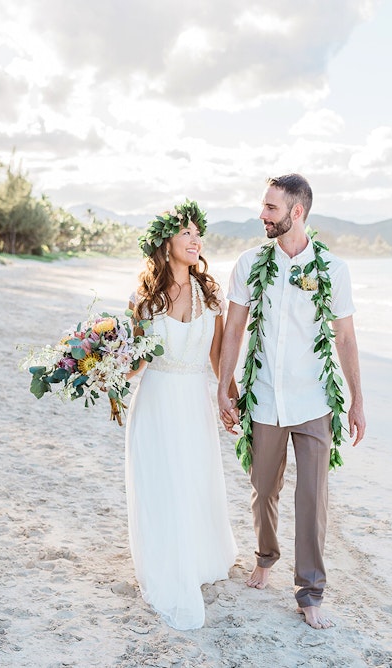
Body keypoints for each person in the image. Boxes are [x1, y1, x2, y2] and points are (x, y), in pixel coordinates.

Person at [218, 174, 366, 630]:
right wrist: (224, 385)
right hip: (263, 398)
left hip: (314, 400)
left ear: (295, 212)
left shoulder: (332, 269)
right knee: (263, 489)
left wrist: (357, 400)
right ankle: (266, 556)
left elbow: (344, 338)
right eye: (264, 207)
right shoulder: (248, 263)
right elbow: (234, 329)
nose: (262, 215)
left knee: (313, 496)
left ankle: (309, 590)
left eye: (270, 208)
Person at [124, 199, 237, 630]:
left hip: (193, 401)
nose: (195, 240)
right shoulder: (143, 298)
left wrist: (231, 398)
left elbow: (217, 360)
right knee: (162, 482)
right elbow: (135, 363)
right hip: (154, 400)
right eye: (186, 232)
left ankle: (199, 555)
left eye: (197, 233)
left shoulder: (211, 294)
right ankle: (167, 562)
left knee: (192, 480)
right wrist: (103, 367)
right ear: (165, 242)